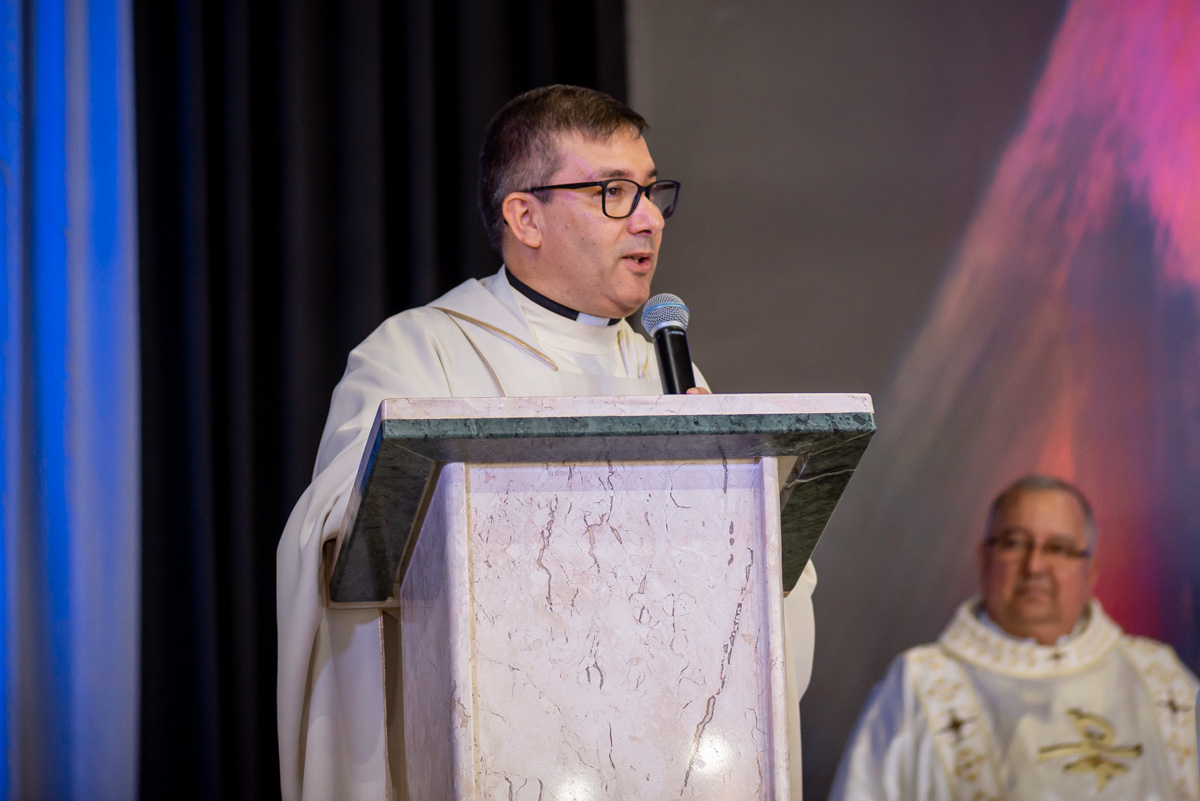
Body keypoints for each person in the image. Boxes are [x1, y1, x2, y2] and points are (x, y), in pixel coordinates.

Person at [276, 85, 818, 800]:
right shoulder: (420, 357)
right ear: (525, 217)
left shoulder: (668, 377)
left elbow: (765, 583)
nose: (650, 219)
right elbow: (338, 544)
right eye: (614, 192)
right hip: (488, 753)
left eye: (652, 191)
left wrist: (737, 503)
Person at [830, 475, 1200, 800]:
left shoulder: (1158, 676)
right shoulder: (920, 683)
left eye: (1058, 548)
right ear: (984, 558)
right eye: (1014, 543)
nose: (1034, 566)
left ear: (1091, 572)